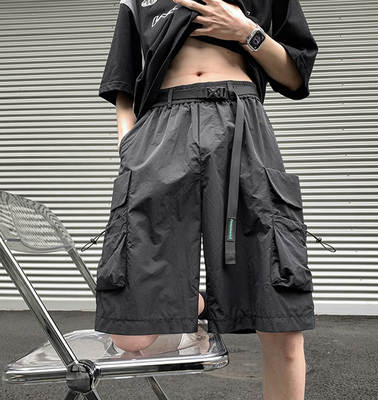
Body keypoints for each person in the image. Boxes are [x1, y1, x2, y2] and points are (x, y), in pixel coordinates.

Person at [93, 0, 322, 398]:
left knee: (280, 319)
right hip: (160, 129)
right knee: (131, 335)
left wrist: (245, 31)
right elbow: (122, 82)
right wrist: (128, 144)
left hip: (241, 122)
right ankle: (195, 302)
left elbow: (294, 75)